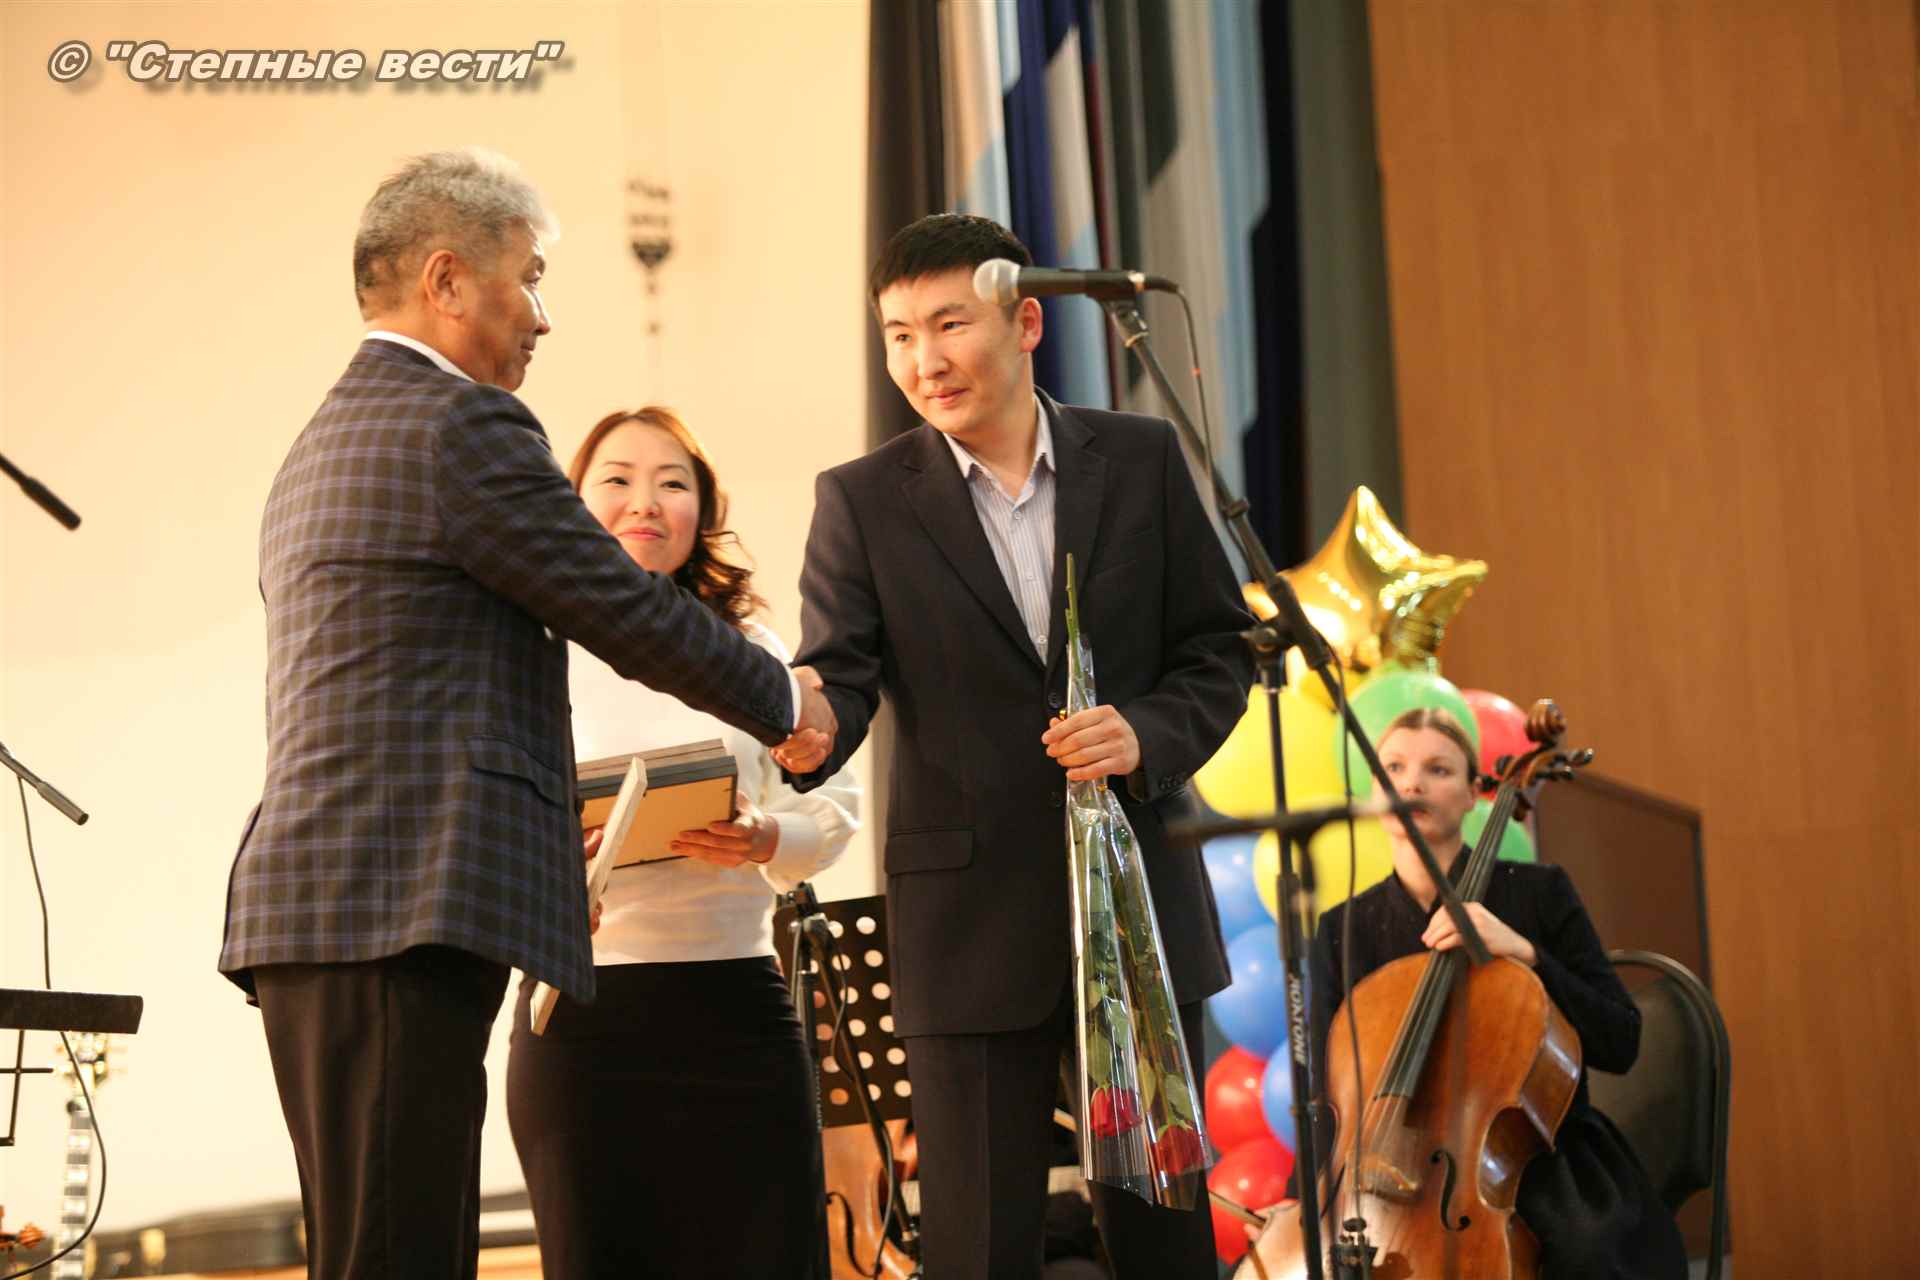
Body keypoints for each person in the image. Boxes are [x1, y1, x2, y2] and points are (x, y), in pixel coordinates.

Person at [217, 148, 834, 1280]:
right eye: (532, 278)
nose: (544, 316)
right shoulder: (458, 424)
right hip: (397, 907)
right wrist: (784, 696)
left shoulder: (322, 440)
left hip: (328, 907)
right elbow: (618, 606)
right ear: (448, 280)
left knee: (376, 1249)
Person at [787, 212, 1254, 1280]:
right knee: (979, 1251)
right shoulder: (861, 500)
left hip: (1136, 909)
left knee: (1166, 1248)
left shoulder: (1136, 459)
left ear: (1027, 321)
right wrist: (801, 725)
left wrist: (1145, 731)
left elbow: (1220, 650)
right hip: (969, 929)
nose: (925, 359)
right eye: (899, 334)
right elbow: (838, 681)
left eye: (950, 323)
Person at [506, 407, 860, 1278]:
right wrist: (542, 873)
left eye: (673, 483)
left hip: (738, 1008)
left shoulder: (747, 648)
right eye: (617, 480)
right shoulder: (526, 649)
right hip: (581, 1018)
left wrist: (767, 836)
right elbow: (481, 814)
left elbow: (834, 799)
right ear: (573, 502)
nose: (645, 502)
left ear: (702, 510)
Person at [1304, 707, 1686, 1279]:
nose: (1411, 784)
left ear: (1472, 795)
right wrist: (1305, 1198)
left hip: (1536, 1163)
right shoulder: (1342, 928)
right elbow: (1321, 1089)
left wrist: (1525, 952)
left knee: (1585, 1253)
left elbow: (1620, 1040)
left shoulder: (1540, 893)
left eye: (1438, 769)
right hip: (1377, 1170)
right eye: (1394, 768)